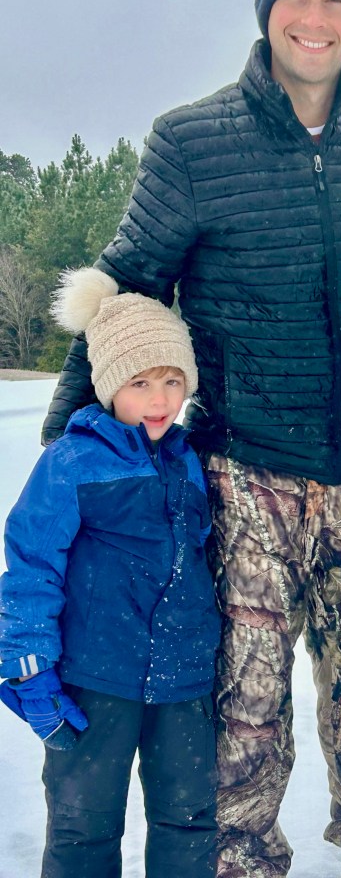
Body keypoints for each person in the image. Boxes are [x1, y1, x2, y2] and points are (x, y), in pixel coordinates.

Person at [41, 0, 341, 878]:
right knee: (239, 739)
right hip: (242, 485)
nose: (314, 17)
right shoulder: (192, 142)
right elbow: (125, 293)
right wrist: (67, 457)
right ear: (264, 9)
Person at [0, 267, 220, 878]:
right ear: (108, 386)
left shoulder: (189, 460)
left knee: (189, 822)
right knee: (83, 828)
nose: (160, 400)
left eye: (172, 381)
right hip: (95, 679)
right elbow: (31, 564)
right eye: (140, 382)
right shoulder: (72, 461)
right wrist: (29, 667)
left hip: (183, 680)